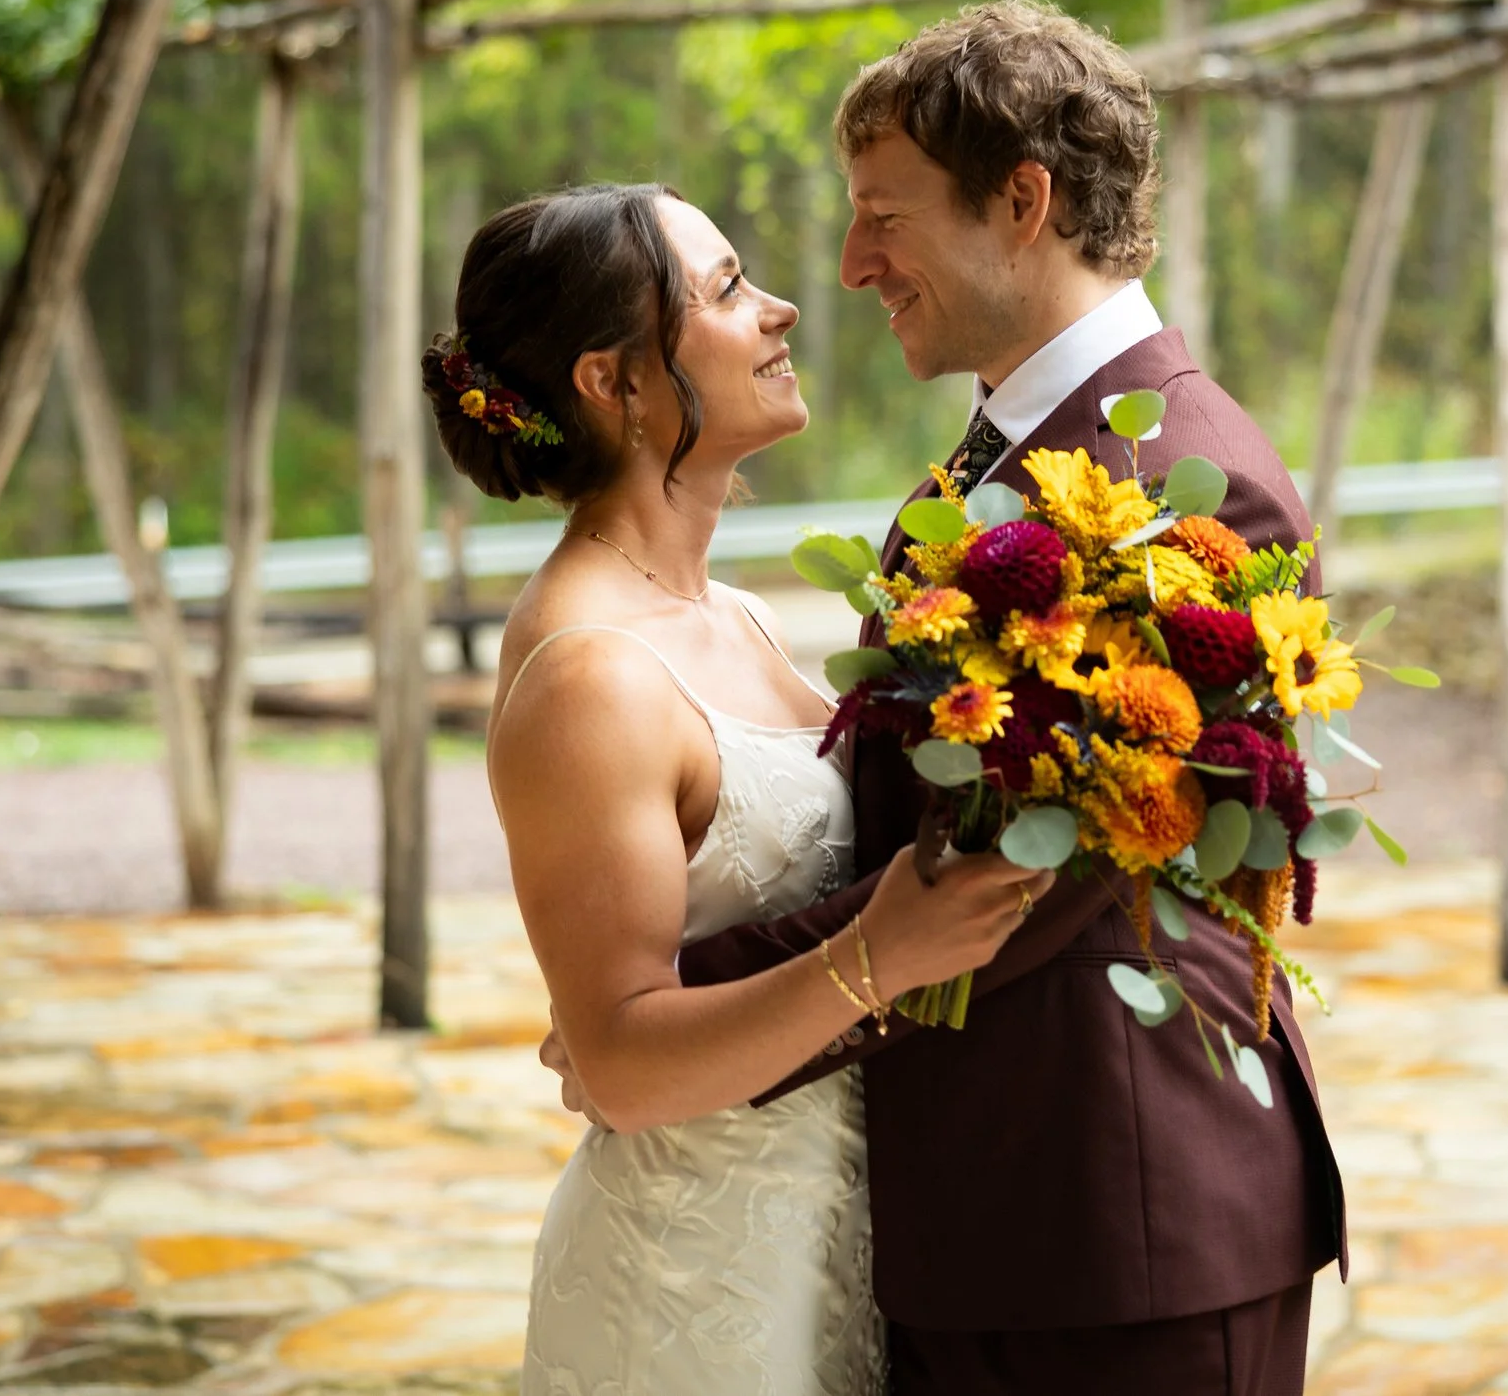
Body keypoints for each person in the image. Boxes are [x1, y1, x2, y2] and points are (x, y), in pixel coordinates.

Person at [549, 0, 1347, 1394]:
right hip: (985, 1215)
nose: (853, 265)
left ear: (1022, 202)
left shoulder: (1182, 489)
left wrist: (677, 1006)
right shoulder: (1003, 455)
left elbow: (1024, 877)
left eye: (885, 216)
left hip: (1122, 1222)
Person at [429, 182, 1055, 1396]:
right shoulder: (590, 672)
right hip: (694, 1291)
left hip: (841, 1244)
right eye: (723, 290)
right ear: (612, 380)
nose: (777, 310)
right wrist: (881, 952)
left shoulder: (741, 616)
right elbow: (615, 1063)